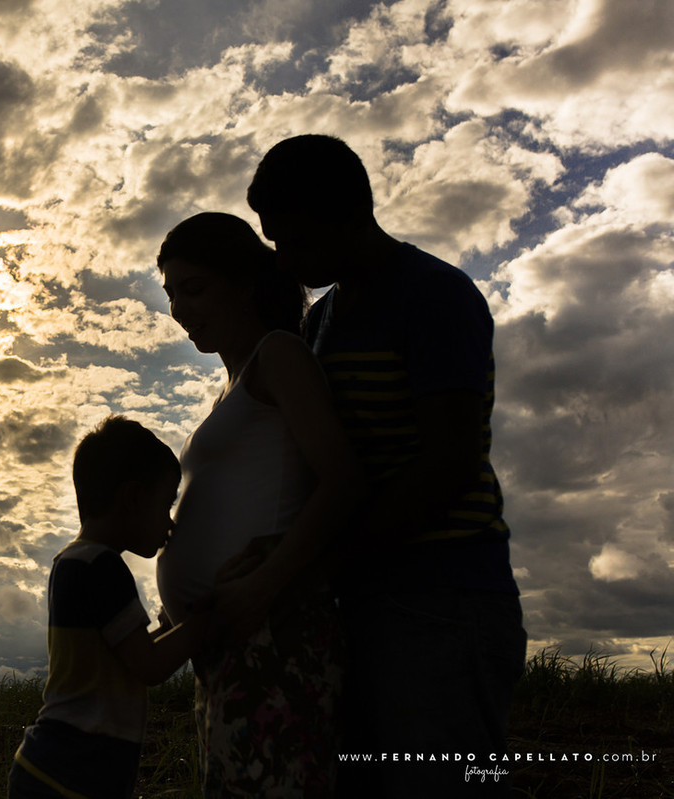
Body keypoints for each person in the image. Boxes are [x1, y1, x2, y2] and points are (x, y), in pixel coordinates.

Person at [247, 134, 527, 797]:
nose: (283, 257)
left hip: (445, 595)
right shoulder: (322, 322)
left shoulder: (434, 296)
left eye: (291, 236)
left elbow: (449, 462)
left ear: (347, 214)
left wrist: (328, 560)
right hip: (362, 598)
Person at [155, 212, 363, 797]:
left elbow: (343, 480)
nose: (179, 311)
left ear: (243, 284)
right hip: (230, 643)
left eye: (193, 289)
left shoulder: (278, 356)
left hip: (274, 632)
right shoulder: (230, 385)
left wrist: (266, 581)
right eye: (171, 295)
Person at [9, 415, 211, 799]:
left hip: (49, 767)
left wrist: (168, 630)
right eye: (166, 504)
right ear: (133, 499)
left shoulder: (72, 561)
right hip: (72, 773)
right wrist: (205, 622)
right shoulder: (102, 567)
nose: (170, 524)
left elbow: (118, 658)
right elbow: (148, 666)